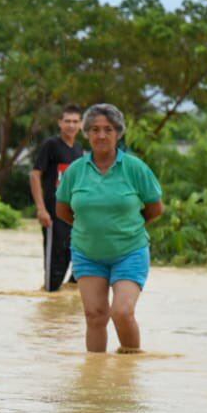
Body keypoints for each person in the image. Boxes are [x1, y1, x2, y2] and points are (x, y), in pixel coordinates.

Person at [55, 103, 164, 354]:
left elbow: (155, 208)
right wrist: (91, 228)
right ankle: (96, 380)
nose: (101, 135)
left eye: (108, 129)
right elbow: (62, 210)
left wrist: (124, 227)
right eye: (94, 129)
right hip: (87, 252)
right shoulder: (75, 171)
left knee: (122, 312)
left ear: (118, 133)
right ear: (87, 133)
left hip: (130, 251)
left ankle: (128, 373)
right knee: (94, 316)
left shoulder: (135, 168)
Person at [30, 104, 84, 292]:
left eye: (75, 121)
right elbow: (35, 174)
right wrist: (41, 209)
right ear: (60, 123)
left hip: (75, 216)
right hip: (53, 215)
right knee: (55, 268)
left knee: (79, 261)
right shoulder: (51, 145)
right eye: (67, 121)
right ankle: (49, 298)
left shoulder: (79, 150)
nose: (71, 125)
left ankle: (63, 310)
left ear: (81, 124)